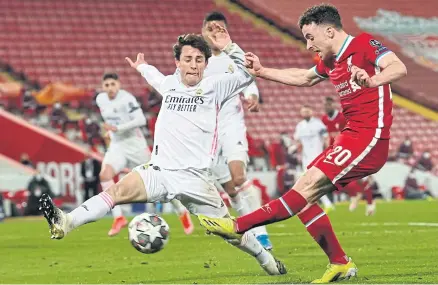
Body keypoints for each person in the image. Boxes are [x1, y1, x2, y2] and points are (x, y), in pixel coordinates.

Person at [39, 31, 286, 275]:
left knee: (230, 232)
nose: (193, 65)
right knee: (115, 192)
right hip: (160, 171)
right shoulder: (170, 84)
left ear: (206, 64)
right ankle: (66, 222)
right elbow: (154, 77)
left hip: (196, 180)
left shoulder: (216, 86)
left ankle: (266, 260)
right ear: (177, 63)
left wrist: (231, 46)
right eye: (188, 59)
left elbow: (247, 72)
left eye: (199, 60)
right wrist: (142, 66)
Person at [198, 4, 407, 283]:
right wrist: (261, 71)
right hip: (350, 136)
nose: (309, 45)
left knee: (306, 186)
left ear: (329, 31)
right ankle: (340, 263)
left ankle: (238, 225)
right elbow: (305, 77)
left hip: (370, 137)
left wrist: (373, 79)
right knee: (302, 195)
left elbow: (398, 67)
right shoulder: (332, 59)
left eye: (311, 37)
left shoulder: (364, 44)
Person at [201, 11, 272, 250]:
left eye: (220, 28)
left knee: (239, 177)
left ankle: (262, 233)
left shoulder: (233, 56)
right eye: (211, 28)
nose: (216, 32)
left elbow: (249, 77)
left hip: (232, 125)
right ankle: (248, 231)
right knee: (230, 190)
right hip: (207, 131)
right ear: (203, 31)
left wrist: (252, 96)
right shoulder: (197, 60)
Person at [94, 72, 193, 236]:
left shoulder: (127, 99)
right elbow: (110, 121)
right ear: (102, 87)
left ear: (118, 85)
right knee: (105, 175)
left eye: (113, 84)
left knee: (159, 182)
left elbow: (140, 120)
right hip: (118, 146)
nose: (110, 88)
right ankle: (118, 217)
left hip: (136, 146)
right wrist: (111, 133)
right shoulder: (100, 100)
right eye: (107, 85)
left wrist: (118, 129)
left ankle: (181, 211)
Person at [293, 105, 334, 212]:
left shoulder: (318, 124)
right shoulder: (300, 126)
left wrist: (327, 151)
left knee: (316, 181)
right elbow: (298, 141)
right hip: (306, 159)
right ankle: (324, 203)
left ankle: (323, 203)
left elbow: (326, 138)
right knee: (309, 182)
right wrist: (297, 151)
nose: (305, 113)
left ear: (311, 112)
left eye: (307, 111)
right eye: (304, 111)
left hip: (317, 157)